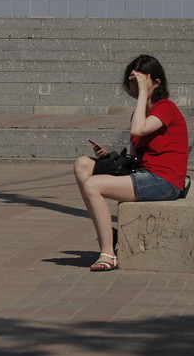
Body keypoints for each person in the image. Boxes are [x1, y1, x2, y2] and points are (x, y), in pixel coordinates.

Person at [72, 55, 188, 272]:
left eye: (140, 82)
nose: (135, 88)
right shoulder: (139, 113)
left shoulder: (166, 107)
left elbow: (139, 130)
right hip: (144, 174)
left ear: (156, 82)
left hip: (165, 181)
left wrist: (143, 93)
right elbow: (136, 157)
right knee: (82, 164)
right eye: (132, 82)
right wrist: (108, 159)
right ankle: (109, 232)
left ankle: (107, 252)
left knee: (93, 185)